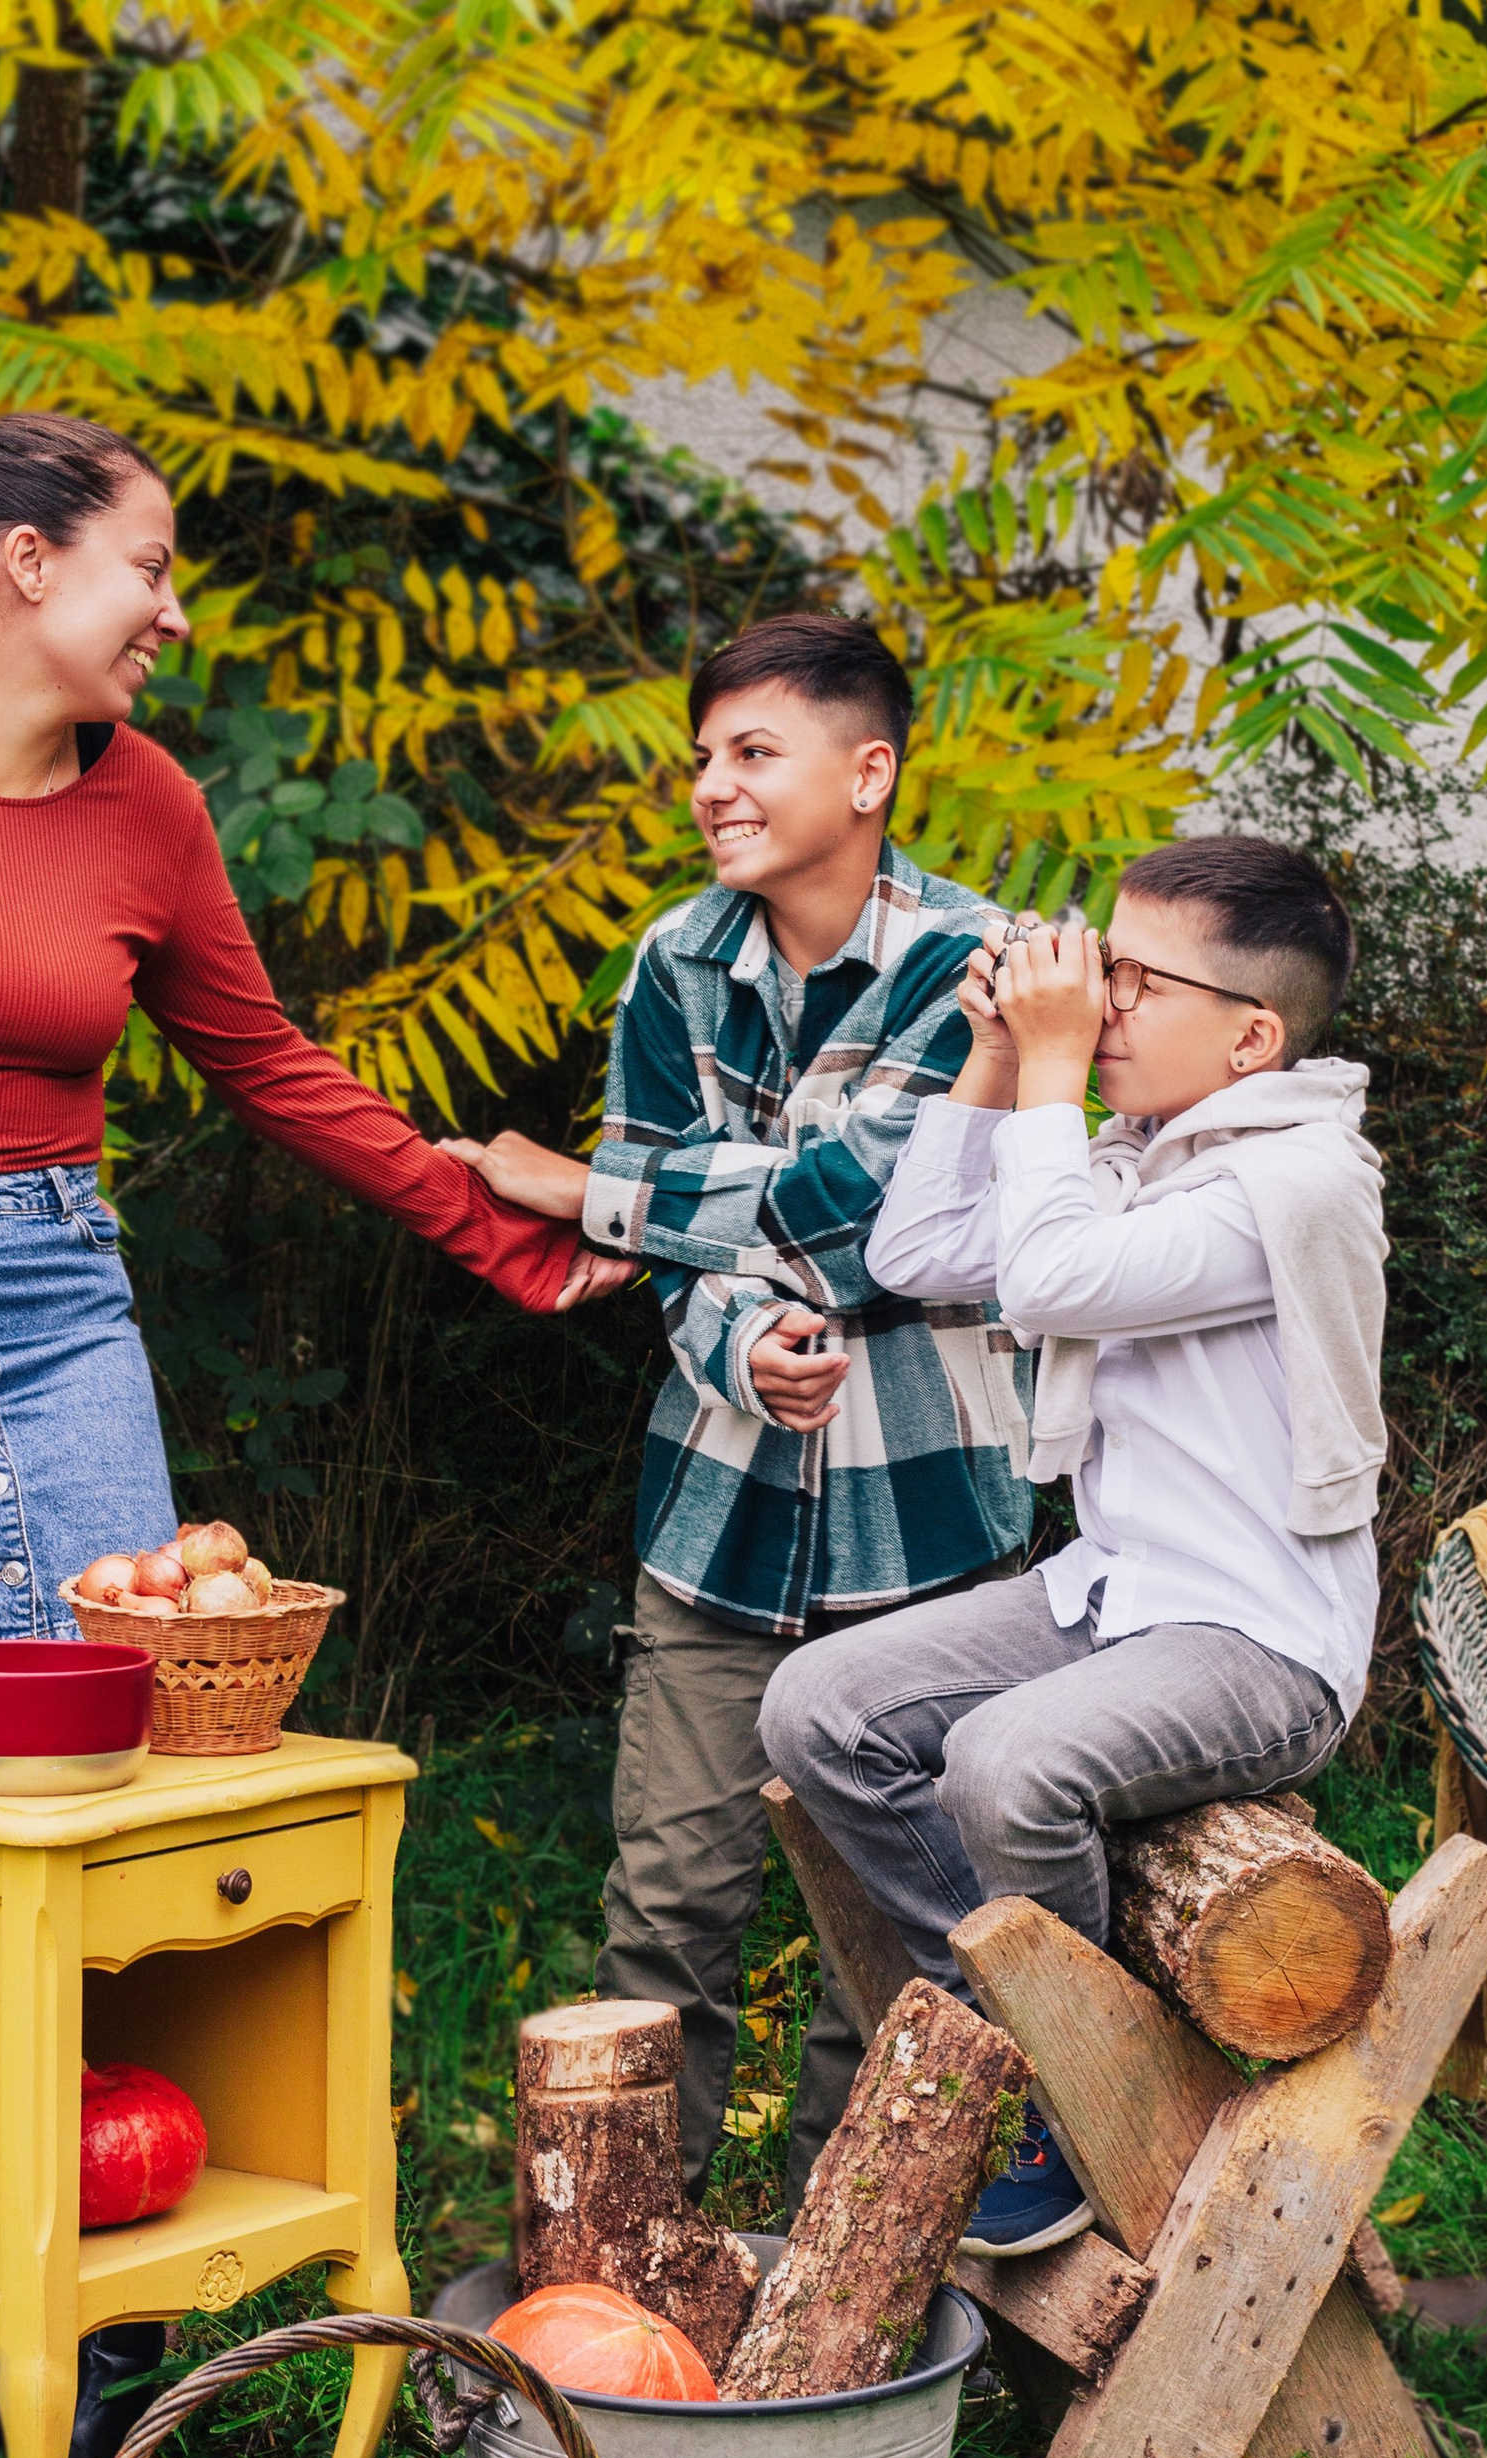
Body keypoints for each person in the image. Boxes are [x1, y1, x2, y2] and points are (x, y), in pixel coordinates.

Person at [0, 409, 630, 2458]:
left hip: (58, 1313)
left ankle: (42, 2322)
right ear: (19, 571)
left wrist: (501, 1239)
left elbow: (265, 1064)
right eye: (146, 565)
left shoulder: (141, 801)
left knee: (115, 1793)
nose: (172, 609)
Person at [440, 613, 1031, 2213]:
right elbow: (760, 1244)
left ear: (871, 768)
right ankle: (639, 2275)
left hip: (925, 1520)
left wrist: (595, 1191)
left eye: (751, 752)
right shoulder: (675, 963)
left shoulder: (980, 966)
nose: (710, 785)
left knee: (891, 1943)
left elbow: (888, 1215)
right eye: (704, 754)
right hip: (720, 1510)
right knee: (667, 1907)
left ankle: (853, 2289)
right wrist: (738, 1344)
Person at [760, 835, 1382, 2254]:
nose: (1098, 1003)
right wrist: (995, 1057)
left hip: (1260, 1640)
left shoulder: (1286, 1186)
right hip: (1116, 1598)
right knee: (821, 1710)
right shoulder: (1141, 1155)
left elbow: (1049, 1280)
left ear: (1250, 1037)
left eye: (1135, 979)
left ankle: (1084, 2095)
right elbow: (916, 1253)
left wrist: (1047, 1074)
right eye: (1102, 966)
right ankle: (1028, 2047)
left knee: (1008, 1761)